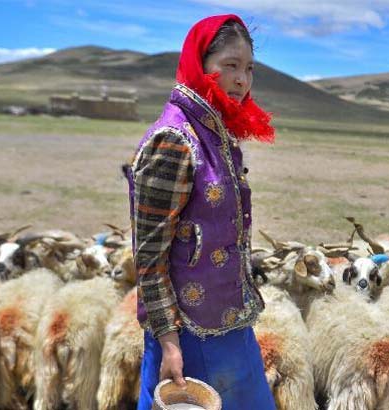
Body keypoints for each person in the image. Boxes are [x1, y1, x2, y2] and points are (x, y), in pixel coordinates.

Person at [123, 14, 277, 410]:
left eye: (248, 69)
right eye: (230, 66)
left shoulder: (213, 134)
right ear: (200, 63)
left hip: (230, 329)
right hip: (188, 340)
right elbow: (149, 255)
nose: (242, 79)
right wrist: (170, 345)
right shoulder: (175, 140)